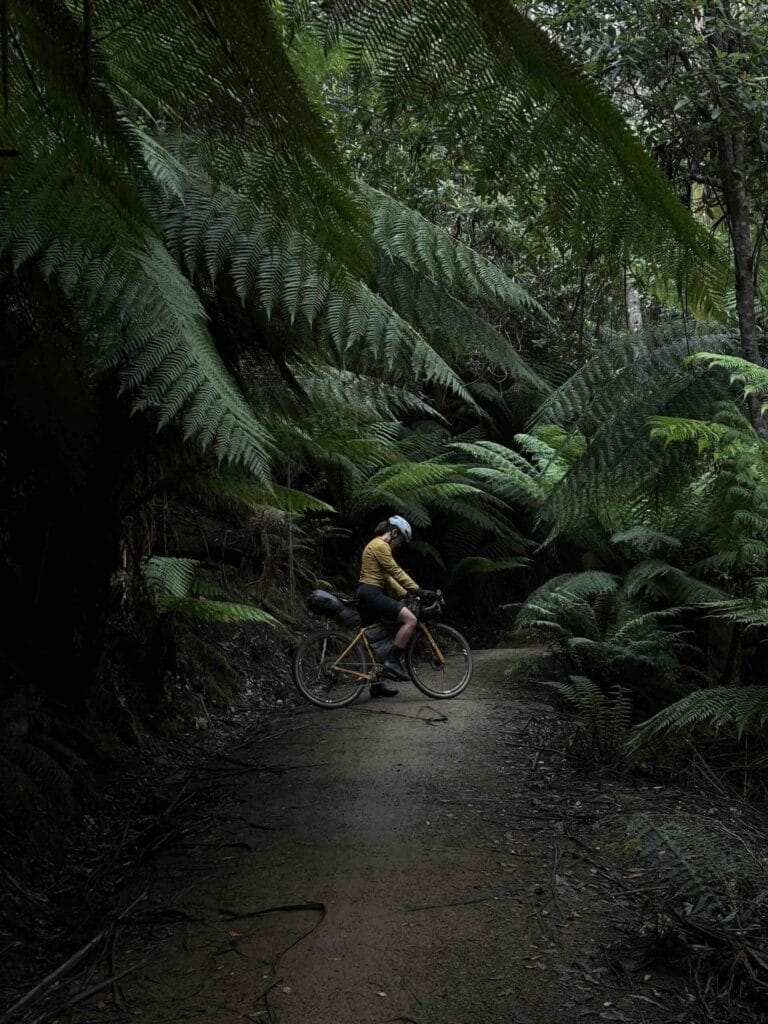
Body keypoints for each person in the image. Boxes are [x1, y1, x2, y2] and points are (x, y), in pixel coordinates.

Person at [356, 515, 434, 698]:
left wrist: (407, 594)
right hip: (371, 594)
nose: (399, 544)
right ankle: (392, 661)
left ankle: (376, 686)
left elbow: (389, 579)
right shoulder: (380, 546)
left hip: (366, 593)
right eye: (400, 540)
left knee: (375, 640)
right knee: (410, 620)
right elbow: (396, 572)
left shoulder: (376, 545)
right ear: (394, 532)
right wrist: (419, 590)